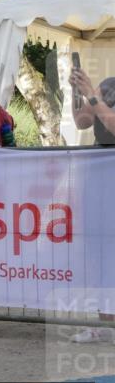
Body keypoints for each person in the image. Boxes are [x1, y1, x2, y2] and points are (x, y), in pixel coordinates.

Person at [68, 70, 115, 342]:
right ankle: (104, 324)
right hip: (99, 179)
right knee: (98, 251)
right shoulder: (107, 83)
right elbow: (82, 121)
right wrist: (76, 93)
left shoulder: (100, 90)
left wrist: (93, 96)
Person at [70, 70, 115, 146]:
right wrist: (77, 90)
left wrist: (92, 97)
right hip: (98, 154)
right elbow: (82, 122)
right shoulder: (109, 84)